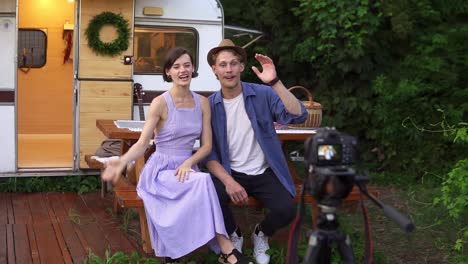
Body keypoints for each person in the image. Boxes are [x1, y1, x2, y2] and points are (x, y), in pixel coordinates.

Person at [102, 47, 252, 264]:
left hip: (187, 169)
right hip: (160, 171)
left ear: (193, 69)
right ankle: (226, 250)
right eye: (176, 66)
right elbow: (143, 143)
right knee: (203, 181)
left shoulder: (202, 103)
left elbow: (206, 146)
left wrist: (189, 162)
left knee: (201, 180)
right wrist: (122, 162)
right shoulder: (160, 103)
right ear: (168, 72)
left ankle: (216, 251)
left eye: (187, 65)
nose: (183, 70)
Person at [204, 39, 308, 264]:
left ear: (242, 66)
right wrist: (229, 182)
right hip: (231, 172)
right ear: (214, 70)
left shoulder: (263, 94)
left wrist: (275, 82)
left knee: (287, 209)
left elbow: (299, 116)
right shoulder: (209, 106)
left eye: (234, 63)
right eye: (223, 65)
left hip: (264, 171)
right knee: (209, 196)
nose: (229, 69)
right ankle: (234, 234)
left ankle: (261, 233)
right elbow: (209, 154)